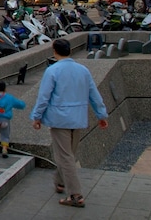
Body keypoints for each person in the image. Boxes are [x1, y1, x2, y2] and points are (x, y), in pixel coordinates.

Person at [31, 39, 109, 209]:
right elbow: (94, 94)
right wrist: (101, 114)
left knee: (65, 156)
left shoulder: (52, 71)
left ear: (54, 51)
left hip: (60, 120)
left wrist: (36, 117)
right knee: (68, 155)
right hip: (78, 118)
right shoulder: (83, 70)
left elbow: (44, 97)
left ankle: (75, 195)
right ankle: (60, 182)